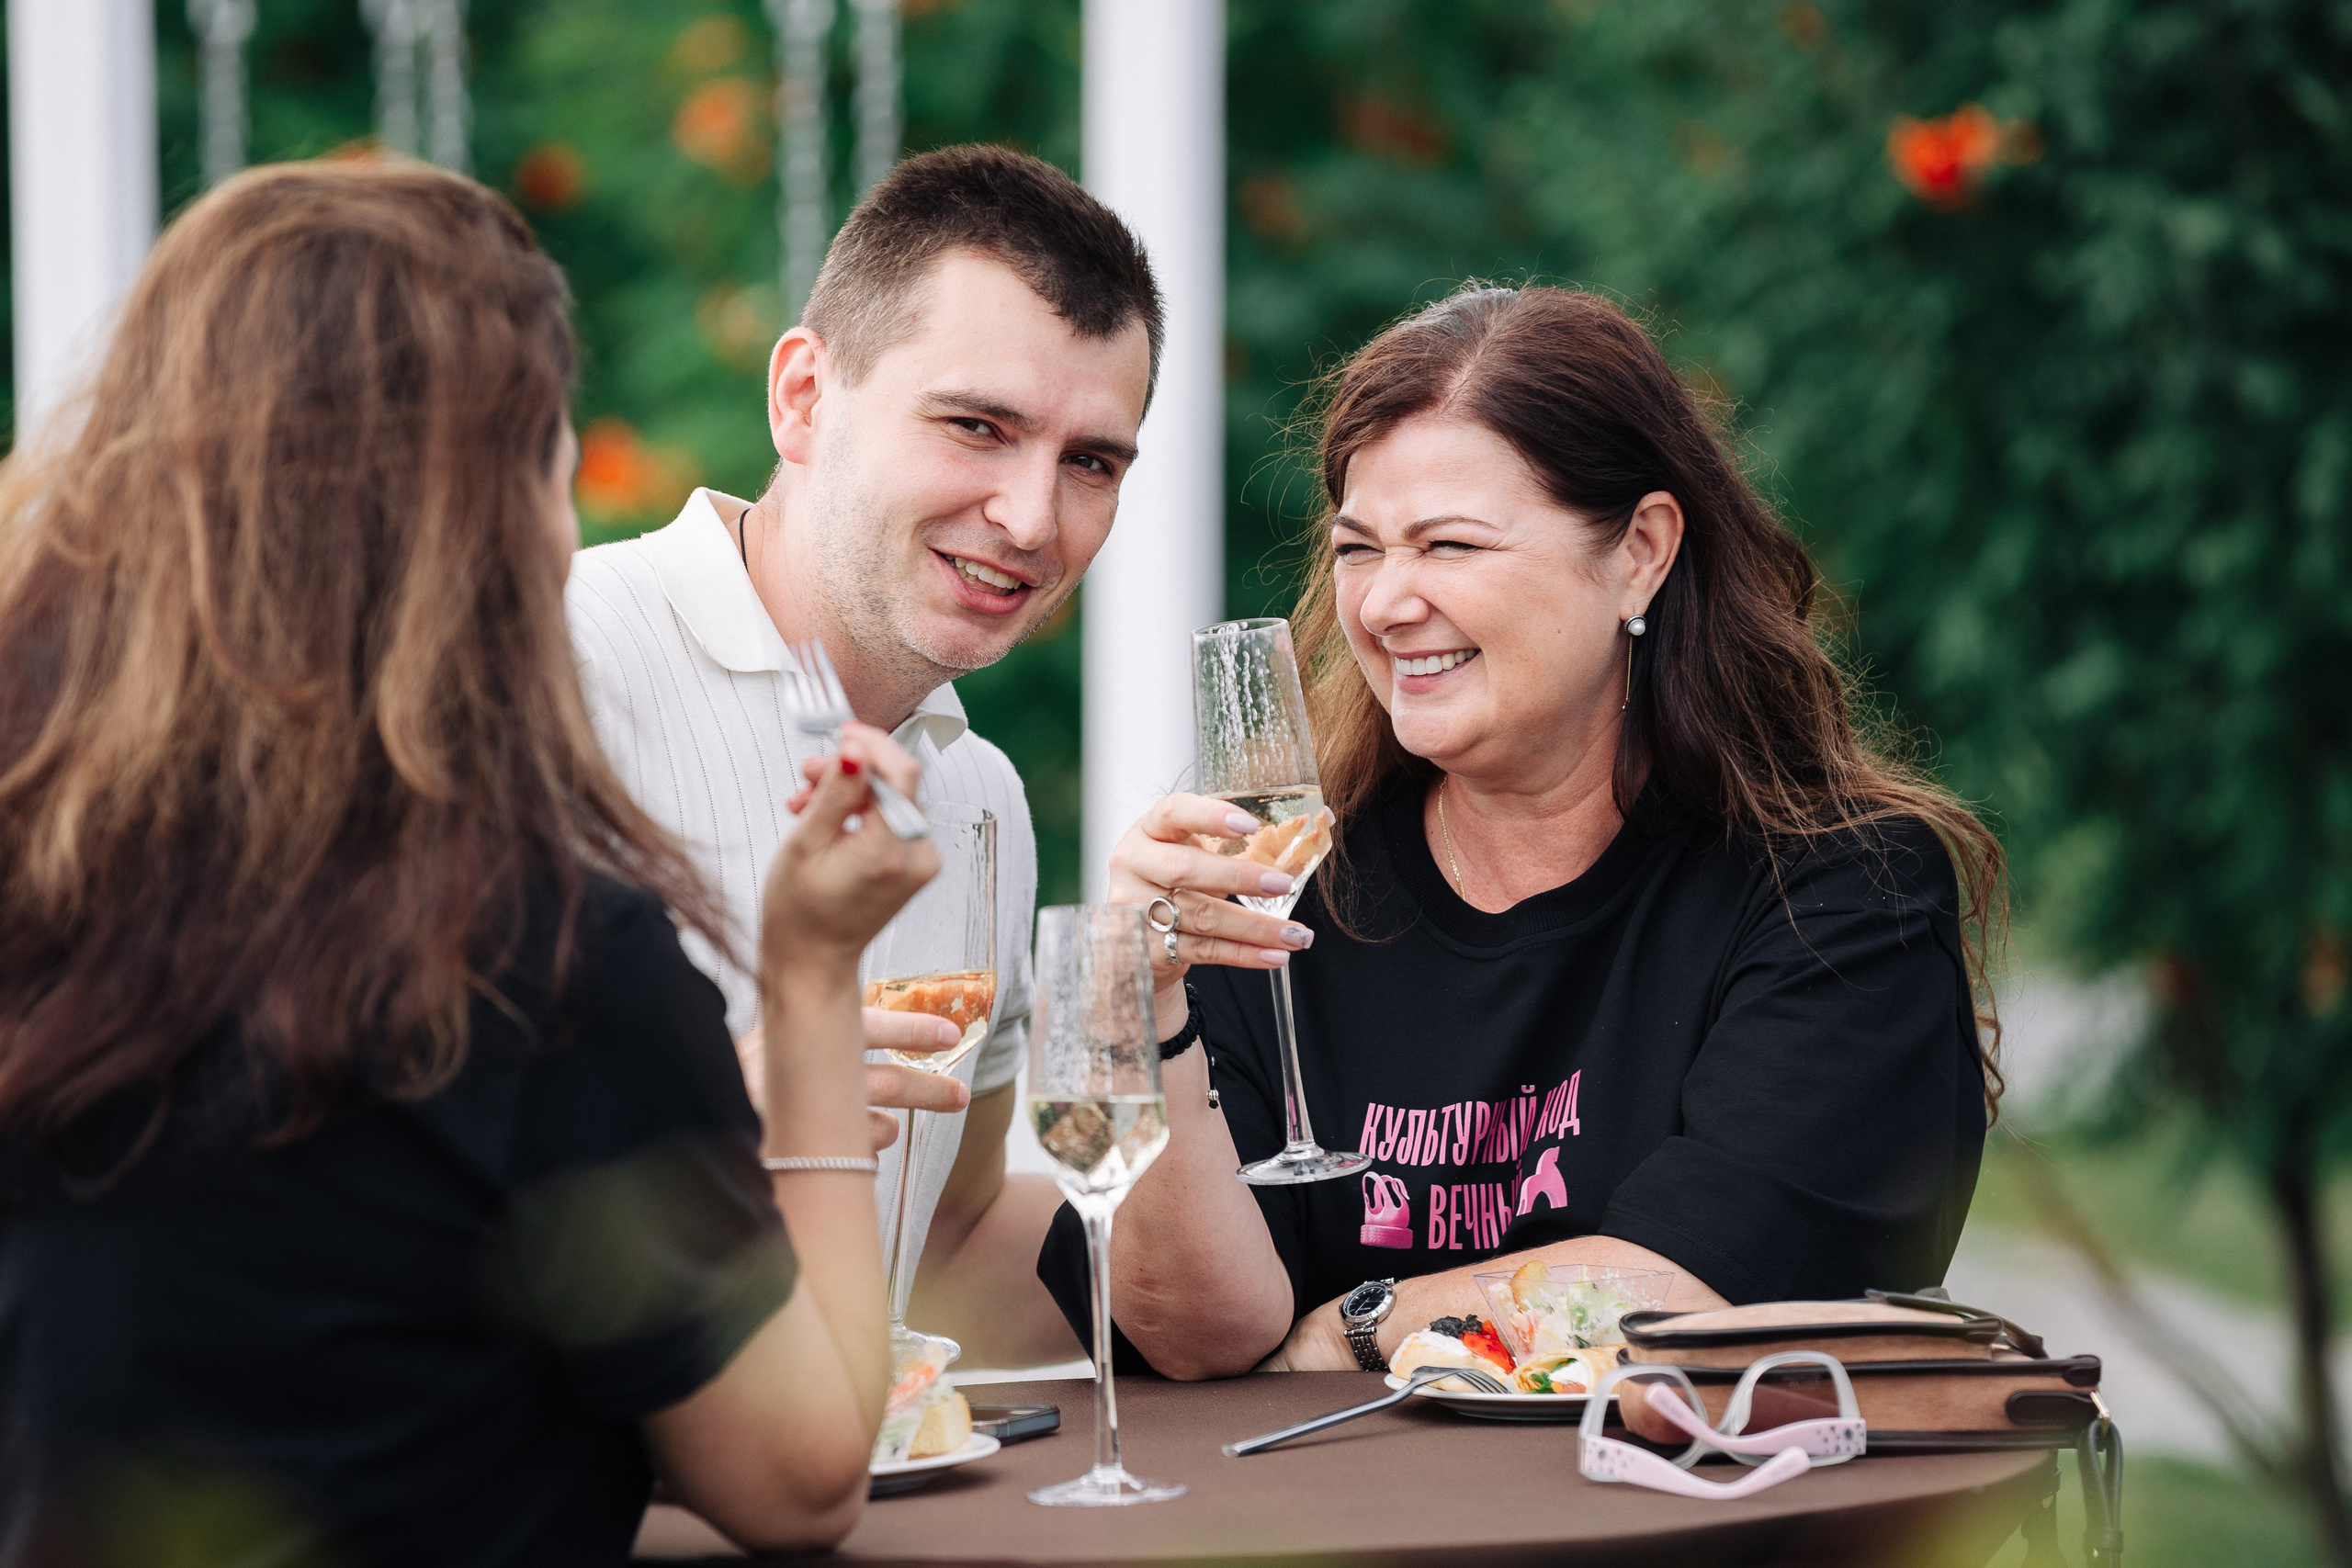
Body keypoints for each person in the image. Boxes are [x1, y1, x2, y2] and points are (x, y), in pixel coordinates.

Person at [0, 161, 933, 1565]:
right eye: (556, 465)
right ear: (495, 525)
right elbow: (801, 1477)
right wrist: (809, 982)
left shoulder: (38, 905)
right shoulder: (539, 966)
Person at [1046, 285, 2006, 1380]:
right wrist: (1145, 1006)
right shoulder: (1282, 892)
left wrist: (1352, 1325)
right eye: (1359, 549)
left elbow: (1683, 1288)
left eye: (1449, 545)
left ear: (1640, 550)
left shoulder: (1838, 887)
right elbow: (1194, 1337)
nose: (1384, 604)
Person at [566, 145, 1159, 1366]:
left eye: (1089, 462)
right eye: (976, 426)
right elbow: (358, 1184)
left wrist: (1324, 1267)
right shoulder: (547, 665)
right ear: (802, 398)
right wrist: (733, 1112)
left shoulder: (983, 796)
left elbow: (950, 1237)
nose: (1031, 518)